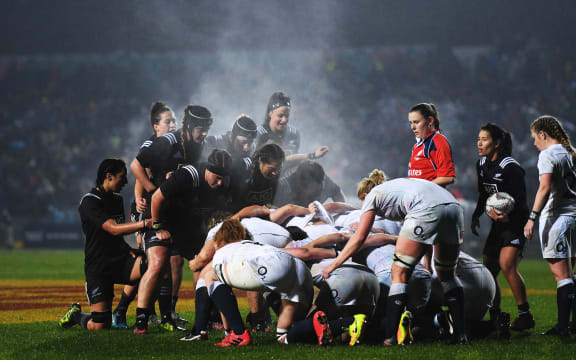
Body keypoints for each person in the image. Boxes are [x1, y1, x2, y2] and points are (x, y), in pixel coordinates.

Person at [321, 177, 468, 345]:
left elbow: (360, 238)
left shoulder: (372, 197)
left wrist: (334, 264)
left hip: (426, 208)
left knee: (399, 272)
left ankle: (390, 337)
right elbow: (426, 234)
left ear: (365, 194)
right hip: (454, 206)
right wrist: (427, 262)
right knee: (447, 274)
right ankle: (460, 335)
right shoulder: (400, 189)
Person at [130, 104, 212, 330]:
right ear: (189, 127)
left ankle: (202, 319)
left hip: (185, 216)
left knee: (200, 262)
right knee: (157, 264)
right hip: (159, 212)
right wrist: (154, 189)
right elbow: (136, 164)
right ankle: (141, 321)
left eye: (207, 128)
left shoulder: (202, 145)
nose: (204, 133)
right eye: (200, 129)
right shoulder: (167, 142)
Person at [133, 149, 232, 334]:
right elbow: (156, 198)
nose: (220, 183)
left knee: (205, 263)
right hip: (160, 218)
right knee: (158, 263)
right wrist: (158, 227)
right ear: (208, 170)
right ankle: (141, 320)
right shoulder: (189, 175)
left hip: (186, 226)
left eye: (223, 179)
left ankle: (208, 314)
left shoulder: (223, 183)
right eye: (217, 177)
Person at [59, 159, 153, 330]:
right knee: (101, 324)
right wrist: (145, 224)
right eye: (122, 177)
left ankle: (132, 313)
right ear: (108, 177)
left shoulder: (117, 199)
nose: (125, 182)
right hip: (99, 267)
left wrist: (128, 249)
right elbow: (114, 229)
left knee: (151, 264)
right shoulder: (89, 202)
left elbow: (117, 236)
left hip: (120, 260)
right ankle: (75, 315)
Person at [113, 101, 178, 328]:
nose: (172, 125)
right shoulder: (152, 145)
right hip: (148, 211)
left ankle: (161, 316)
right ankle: (125, 311)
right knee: (153, 266)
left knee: (163, 265)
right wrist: (143, 199)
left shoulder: (172, 145)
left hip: (162, 210)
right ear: (156, 126)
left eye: (174, 121)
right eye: (167, 121)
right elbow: (141, 172)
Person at [471, 123, 534, 331]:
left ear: (497, 143)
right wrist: (477, 214)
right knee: (489, 270)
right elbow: (483, 194)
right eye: (478, 139)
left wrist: (507, 216)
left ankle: (525, 315)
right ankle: (496, 316)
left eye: (485, 139)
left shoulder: (511, 167)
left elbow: (522, 201)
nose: (479, 143)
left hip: (515, 223)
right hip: (498, 224)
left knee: (507, 265)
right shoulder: (481, 164)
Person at [524, 115, 576, 336]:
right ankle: (573, 325)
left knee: (562, 276)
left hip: (557, 218)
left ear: (543, 134)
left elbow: (544, 188)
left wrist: (532, 217)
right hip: (574, 216)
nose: (534, 143)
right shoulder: (571, 151)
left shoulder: (547, 155)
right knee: (572, 275)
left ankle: (562, 327)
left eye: (535, 137)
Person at [255, 91, 329, 161]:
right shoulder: (258, 134)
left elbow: (291, 163)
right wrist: (312, 155)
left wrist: (313, 156)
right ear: (270, 113)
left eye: (287, 115)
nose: (284, 120)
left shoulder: (293, 134)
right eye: (280, 115)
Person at [407, 103, 455, 187]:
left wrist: (422, 189)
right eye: (411, 123)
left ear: (430, 121)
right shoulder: (416, 146)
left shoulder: (438, 141)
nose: (412, 127)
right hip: (418, 198)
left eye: (416, 122)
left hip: (431, 198)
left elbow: (447, 177)